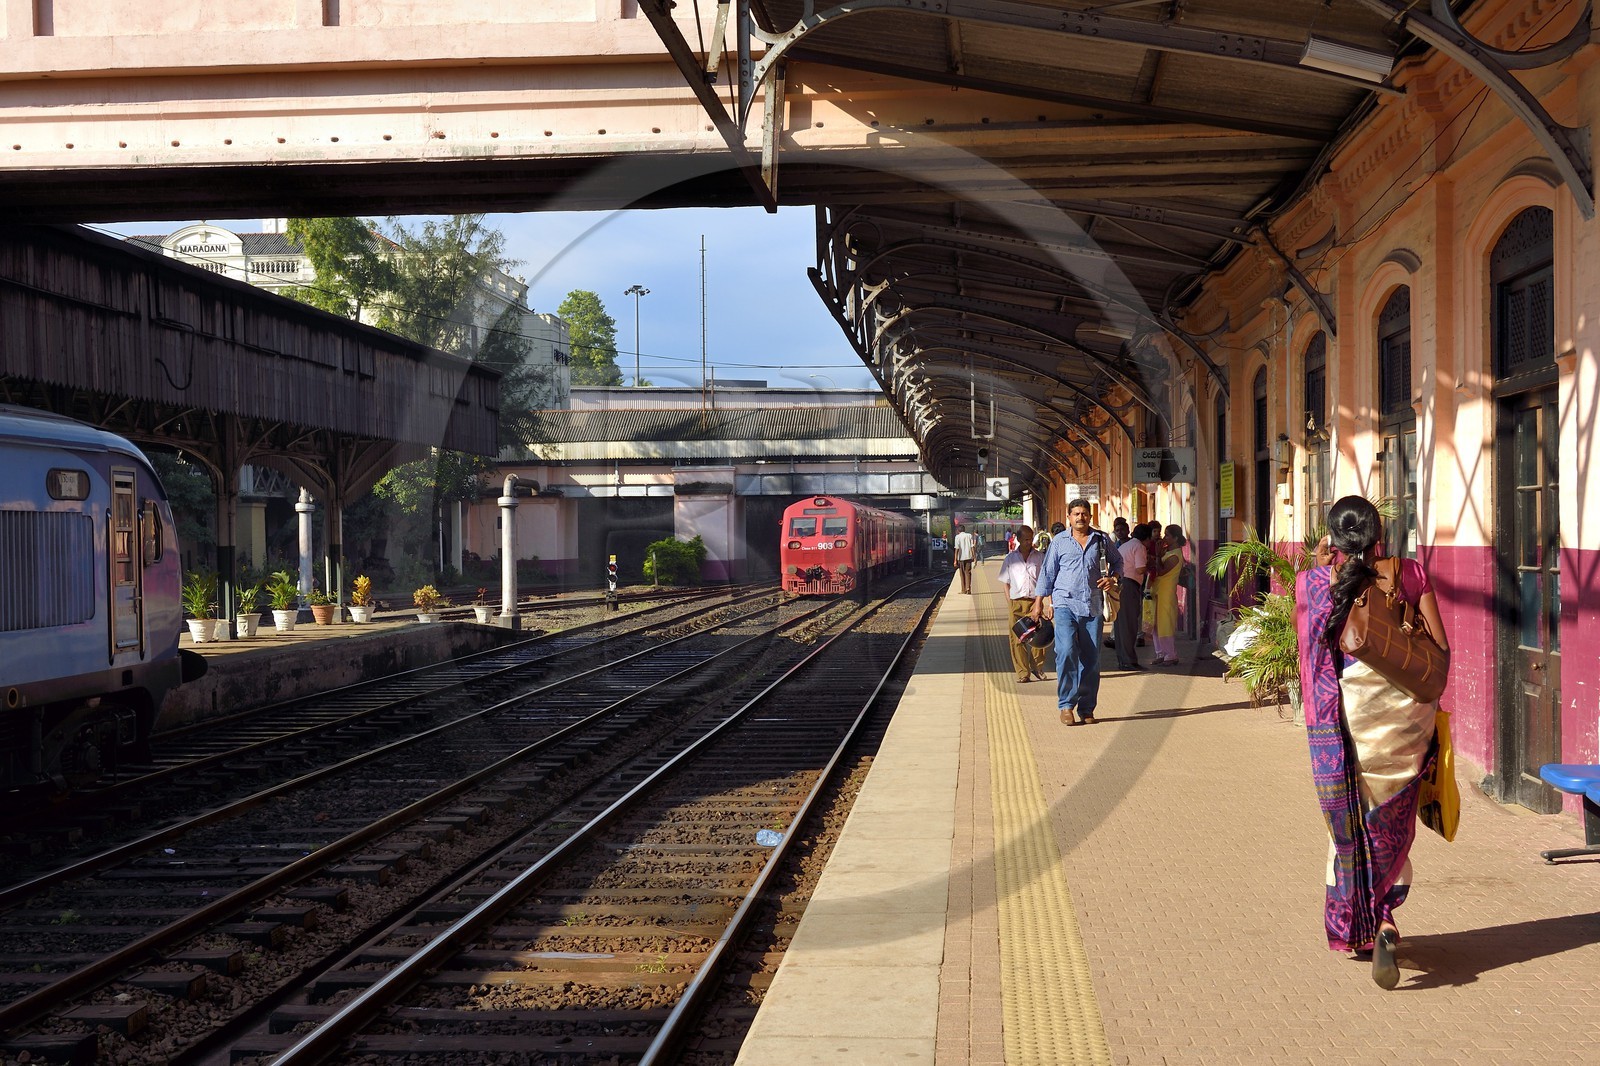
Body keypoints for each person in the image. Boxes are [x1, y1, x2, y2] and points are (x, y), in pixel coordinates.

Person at [1295, 495, 1450, 990]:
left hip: (1351, 719)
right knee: (1392, 821)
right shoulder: (1409, 573)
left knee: (1350, 819)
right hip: (1407, 719)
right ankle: (1385, 915)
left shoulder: (1318, 584)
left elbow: (1314, 654)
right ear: (1378, 533)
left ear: (1334, 539)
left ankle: (1359, 926)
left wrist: (1323, 567)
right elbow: (1441, 650)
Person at [1029, 498, 1120, 725]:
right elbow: (1047, 574)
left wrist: (1113, 578)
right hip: (1064, 605)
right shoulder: (1059, 542)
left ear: (1090, 516)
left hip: (1093, 606)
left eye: (1084, 513)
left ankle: (1087, 708)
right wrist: (1039, 602)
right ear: (1069, 517)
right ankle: (1067, 705)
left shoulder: (1101, 539)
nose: (1081, 517)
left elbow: (1118, 562)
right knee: (1067, 650)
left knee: (1091, 659)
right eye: (1076, 514)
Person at [998, 524, 1048, 684]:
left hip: (1035, 603)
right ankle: (1022, 672)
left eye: (1030, 538)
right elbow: (1005, 582)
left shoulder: (1039, 557)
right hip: (1016, 603)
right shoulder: (1010, 559)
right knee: (1017, 639)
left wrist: (1048, 604)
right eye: (1025, 539)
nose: (1029, 542)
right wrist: (1009, 603)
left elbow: (1046, 580)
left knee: (1039, 638)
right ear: (1018, 539)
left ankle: (1038, 668)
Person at [1113, 522, 1151, 670]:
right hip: (1129, 584)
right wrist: (1151, 563)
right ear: (1146, 538)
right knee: (1129, 624)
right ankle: (1129, 661)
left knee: (1121, 625)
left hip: (1119, 584)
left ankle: (1123, 659)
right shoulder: (1139, 547)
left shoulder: (1126, 546)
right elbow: (1140, 569)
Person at [1149, 524, 1186, 665]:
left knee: (1165, 623)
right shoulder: (1166, 551)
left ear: (1176, 538)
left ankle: (1171, 654)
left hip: (1167, 593)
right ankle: (1160, 652)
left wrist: (1158, 556)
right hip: (1158, 591)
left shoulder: (1176, 555)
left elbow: (1162, 571)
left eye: (1168, 535)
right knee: (1156, 624)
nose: (1165, 538)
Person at [952, 525, 977, 593]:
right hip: (969, 557)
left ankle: (963, 589)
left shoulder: (957, 537)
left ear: (958, 531)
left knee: (962, 573)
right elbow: (972, 547)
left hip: (961, 558)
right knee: (968, 572)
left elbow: (957, 549)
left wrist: (955, 560)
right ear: (964, 530)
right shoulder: (969, 535)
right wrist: (974, 557)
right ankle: (968, 588)